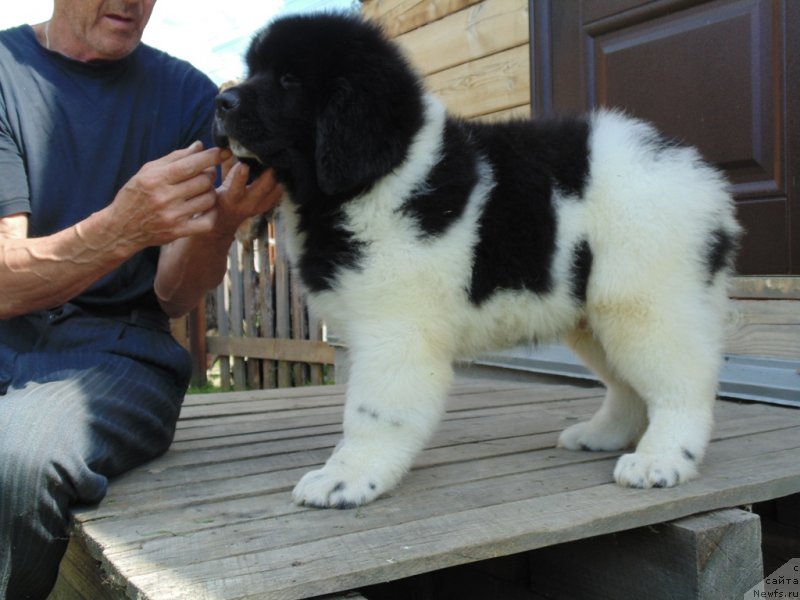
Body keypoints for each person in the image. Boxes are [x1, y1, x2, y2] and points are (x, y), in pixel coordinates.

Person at [0, 1, 282, 597]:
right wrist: (121, 229)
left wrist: (224, 220)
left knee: (15, 463)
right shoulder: (3, 71)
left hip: (122, 354)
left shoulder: (189, 98)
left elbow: (173, 294)